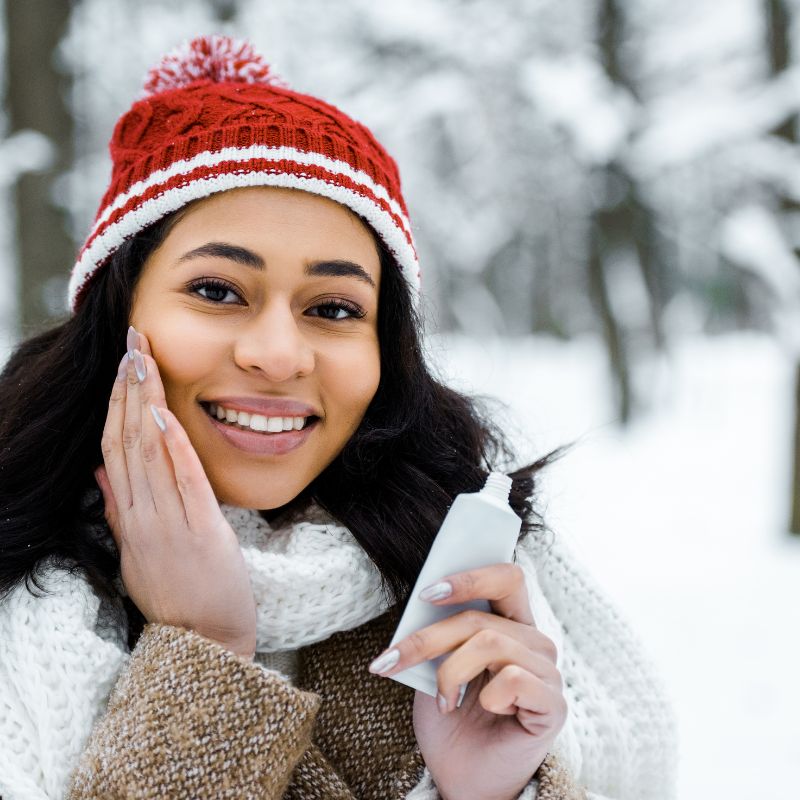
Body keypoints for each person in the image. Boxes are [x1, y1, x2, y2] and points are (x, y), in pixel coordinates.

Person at [0, 35, 678, 800]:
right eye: (218, 291)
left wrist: (479, 790)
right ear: (115, 313)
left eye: (333, 308)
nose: (280, 355)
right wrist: (203, 652)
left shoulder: (462, 581)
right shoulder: (23, 621)